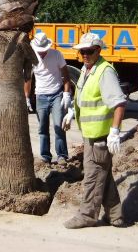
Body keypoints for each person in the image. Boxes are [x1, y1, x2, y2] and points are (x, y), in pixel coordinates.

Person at [62, 32, 127, 229]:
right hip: (90, 133)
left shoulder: (104, 71)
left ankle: (87, 215)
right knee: (103, 175)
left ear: (98, 50)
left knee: (92, 176)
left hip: (100, 135)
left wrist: (114, 132)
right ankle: (116, 216)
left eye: (89, 51)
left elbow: (119, 103)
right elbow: (85, 96)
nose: (85, 54)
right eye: (82, 51)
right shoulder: (87, 69)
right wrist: (72, 112)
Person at [24, 31, 72, 165]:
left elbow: (66, 76)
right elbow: (28, 78)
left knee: (59, 126)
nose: (42, 53)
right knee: (42, 128)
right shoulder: (32, 57)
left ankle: (62, 155)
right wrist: (27, 97)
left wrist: (66, 94)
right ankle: (45, 156)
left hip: (56, 94)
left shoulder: (56, 55)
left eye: (44, 51)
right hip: (41, 96)